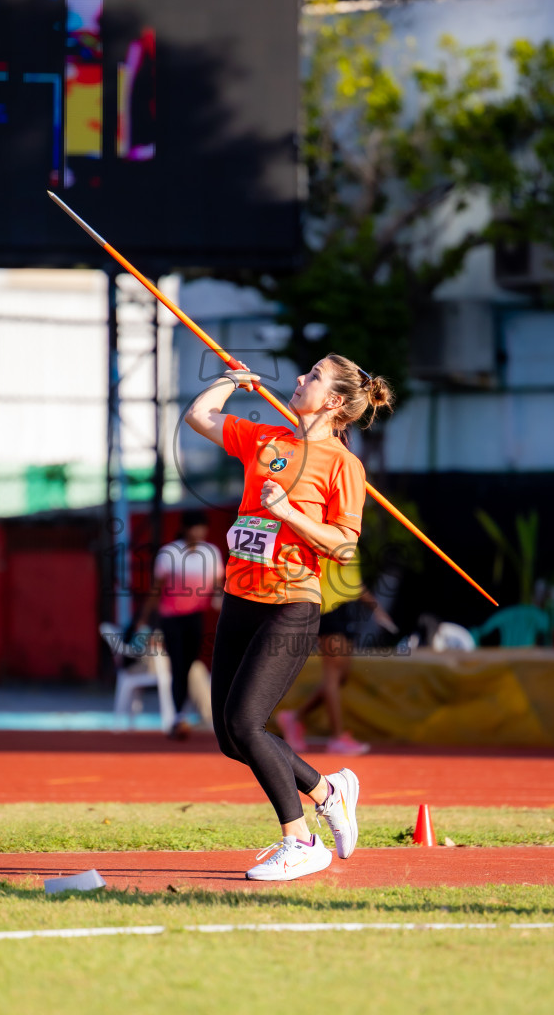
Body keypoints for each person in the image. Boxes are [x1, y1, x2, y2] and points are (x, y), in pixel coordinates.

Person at [185, 353, 393, 881]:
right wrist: (230, 382)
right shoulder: (266, 439)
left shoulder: (344, 466)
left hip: (291, 606)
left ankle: (300, 841)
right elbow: (199, 417)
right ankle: (330, 790)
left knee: (245, 723)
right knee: (231, 739)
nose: (300, 379)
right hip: (239, 599)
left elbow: (344, 548)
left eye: (314, 376)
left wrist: (288, 513)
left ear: (335, 402)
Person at [277, 549, 398, 757]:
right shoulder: (322, 535)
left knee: (342, 675)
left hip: (346, 608)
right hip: (327, 607)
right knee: (332, 675)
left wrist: (375, 609)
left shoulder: (350, 538)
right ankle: (337, 737)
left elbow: (351, 581)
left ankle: (295, 717)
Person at [136, 509, 224, 740]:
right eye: (194, 526)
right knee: (178, 666)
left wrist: (220, 601)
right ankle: (177, 717)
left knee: (189, 666)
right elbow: (156, 590)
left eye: (202, 526)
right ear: (185, 528)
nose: (199, 531)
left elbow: (218, 586)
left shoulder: (212, 553)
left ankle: (187, 713)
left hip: (196, 617)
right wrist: (145, 620)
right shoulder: (169, 553)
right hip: (171, 619)